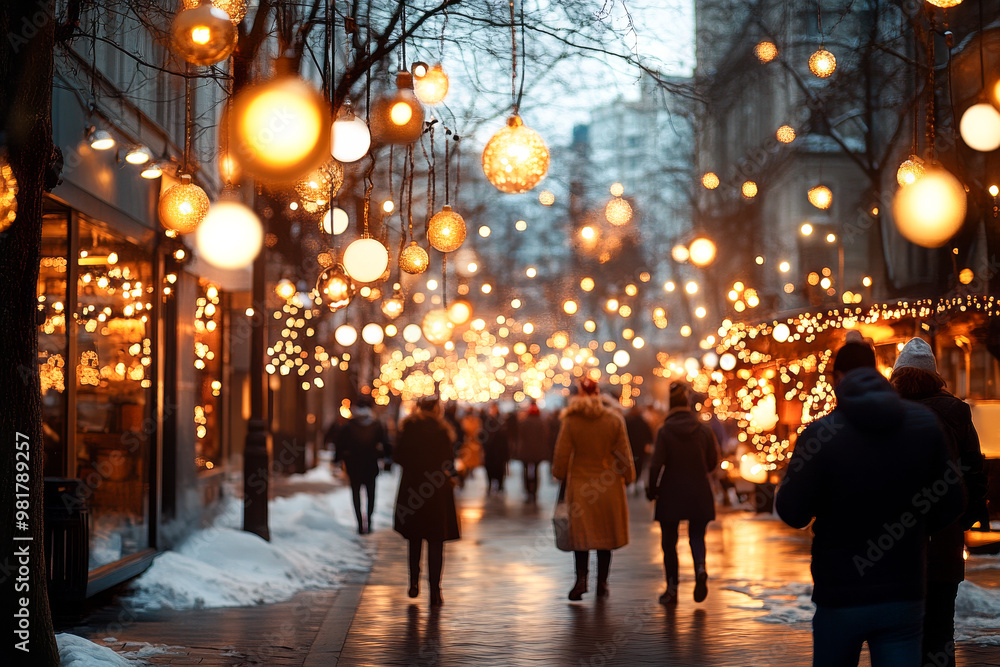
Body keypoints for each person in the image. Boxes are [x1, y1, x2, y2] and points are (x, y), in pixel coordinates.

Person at [775, 339, 965, 667]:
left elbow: (792, 512)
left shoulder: (819, 435)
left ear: (837, 378)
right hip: (902, 592)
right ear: (878, 371)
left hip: (840, 594)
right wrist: (914, 528)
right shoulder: (923, 425)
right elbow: (952, 502)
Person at [890, 337, 989, 667]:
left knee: (900, 633)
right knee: (940, 631)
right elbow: (975, 469)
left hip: (893, 544)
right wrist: (963, 518)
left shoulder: (886, 411)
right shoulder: (956, 411)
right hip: (944, 539)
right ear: (935, 375)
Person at [552, 378, 635, 600]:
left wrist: (559, 473)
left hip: (580, 486)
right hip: (607, 486)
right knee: (604, 538)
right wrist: (629, 476)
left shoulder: (571, 421)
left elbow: (562, 453)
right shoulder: (614, 420)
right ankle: (602, 584)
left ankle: (581, 580)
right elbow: (624, 453)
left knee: (581, 536)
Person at [646, 382, 720, 605]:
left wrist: (652, 489)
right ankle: (699, 568)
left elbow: (656, 464)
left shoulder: (665, 431)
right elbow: (713, 461)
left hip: (671, 493)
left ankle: (672, 588)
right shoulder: (703, 430)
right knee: (697, 536)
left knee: (669, 542)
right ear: (688, 403)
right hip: (699, 492)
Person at [393, 395, 461, 607]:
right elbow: (449, 461)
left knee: (414, 539)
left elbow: (398, 456)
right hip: (436, 490)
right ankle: (435, 590)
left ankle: (414, 583)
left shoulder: (408, 428)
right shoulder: (442, 431)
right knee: (435, 540)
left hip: (413, 489)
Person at [333, 395, 391, 535]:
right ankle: (369, 521)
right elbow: (385, 444)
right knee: (371, 494)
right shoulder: (376, 425)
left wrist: (338, 460)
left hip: (354, 465)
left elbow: (340, 444)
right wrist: (386, 458)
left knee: (356, 493)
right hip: (371, 464)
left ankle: (360, 522)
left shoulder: (349, 425)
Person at [516, 399, 549, 503]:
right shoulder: (541, 422)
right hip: (537, 452)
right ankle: (534, 491)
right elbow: (545, 437)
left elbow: (520, 436)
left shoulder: (524, 422)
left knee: (526, 471)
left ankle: (528, 491)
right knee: (536, 471)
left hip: (526, 451)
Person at [624, 403, 654, 496]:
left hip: (630, 447)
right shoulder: (643, 422)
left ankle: (630, 482)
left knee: (630, 463)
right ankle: (636, 481)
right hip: (640, 448)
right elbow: (649, 435)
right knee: (639, 464)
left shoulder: (627, 421)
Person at [481, 402, 510, 495]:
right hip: (489, 450)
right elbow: (483, 435)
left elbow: (505, 436)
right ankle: (490, 483)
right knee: (489, 468)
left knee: (499, 468)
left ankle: (500, 485)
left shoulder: (501, 420)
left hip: (499, 450)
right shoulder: (487, 420)